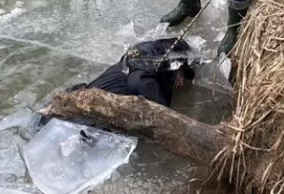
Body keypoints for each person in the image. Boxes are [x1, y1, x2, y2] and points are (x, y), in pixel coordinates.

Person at [28, 39, 200, 134]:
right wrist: (167, 117)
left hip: (85, 115)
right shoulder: (149, 62)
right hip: (86, 123)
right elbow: (138, 82)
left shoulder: (139, 60)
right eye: (183, 75)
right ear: (177, 67)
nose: (181, 83)